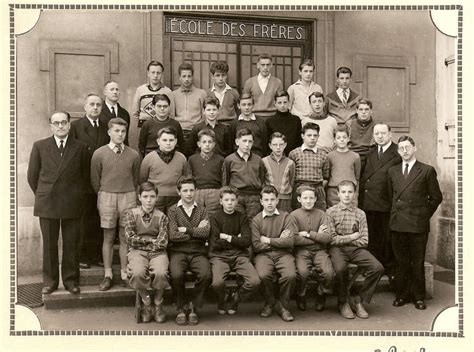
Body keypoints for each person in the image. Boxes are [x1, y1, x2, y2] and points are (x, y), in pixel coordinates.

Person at [27, 111, 89, 295]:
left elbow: (85, 177)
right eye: (56, 123)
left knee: (71, 244)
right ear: (51, 126)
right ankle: (50, 281)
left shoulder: (80, 147)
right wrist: (44, 194)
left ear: (69, 125)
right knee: (49, 245)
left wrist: (77, 196)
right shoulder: (39, 146)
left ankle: (70, 281)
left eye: (64, 122)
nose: (60, 126)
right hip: (48, 203)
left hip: (72, 202)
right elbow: (32, 176)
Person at [388, 135, 442, 310]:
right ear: (398, 151)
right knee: (401, 261)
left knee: (417, 261)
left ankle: (419, 297)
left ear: (414, 148)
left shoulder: (426, 170)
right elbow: (391, 196)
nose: (404, 151)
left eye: (407, 147)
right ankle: (402, 295)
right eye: (401, 148)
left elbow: (436, 197)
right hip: (398, 223)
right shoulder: (393, 171)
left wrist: (422, 215)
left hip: (417, 224)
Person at [91, 118, 141, 291]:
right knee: (109, 237)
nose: (120, 134)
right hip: (107, 196)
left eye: (123, 131)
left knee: (126, 237)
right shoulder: (99, 153)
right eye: (116, 131)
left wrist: (130, 193)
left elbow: (136, 179)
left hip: (128, 196)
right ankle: (107, 274)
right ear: (109, 132)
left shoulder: (133, 154)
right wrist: (105, 194)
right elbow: (95, 180)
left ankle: (124, 274)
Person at [327, 180, 384, 319]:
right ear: (338, 194)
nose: (347, 195)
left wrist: (344, 238)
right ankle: (343, 302)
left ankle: (359, 300)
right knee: (340, 269)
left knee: (377, 268)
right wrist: (352, 236)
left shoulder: (360, 214)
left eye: (350, 192)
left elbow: (364, 240)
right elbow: (331, 239)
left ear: (354, 194)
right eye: (344, 192)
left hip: (356, 249)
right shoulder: (330, 212)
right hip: (337, 250)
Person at [70, 93, 110, 269]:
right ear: (85, 107)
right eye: (92, 104)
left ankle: (97, 255)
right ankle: (83, 256)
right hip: (82, 181)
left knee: (99, 219)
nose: (95, 108)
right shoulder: (76, 126)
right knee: (84, 220)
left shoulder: (105, 127)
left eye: (98, 105)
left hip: (101, 180)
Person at [209, 186, 260, 315]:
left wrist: (226, 237)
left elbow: (246, 241)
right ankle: (223, 297)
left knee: (254, 281)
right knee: (217, 283)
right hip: (219, 256)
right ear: (221, 201)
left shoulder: (242, 217)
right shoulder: (215, 217)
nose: (230, 203)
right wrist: (236, 240)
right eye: (226, 200)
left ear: (237, 201)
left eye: (232, 200)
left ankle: (236, 297)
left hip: (239, 256)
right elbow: (215, 243)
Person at [359, 123, 401, 280]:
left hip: (387, 202)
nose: (380, 136)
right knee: (373, 237)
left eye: (383, 133)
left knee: (387, 237)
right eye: (377, 133)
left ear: (390, 134)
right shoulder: (371, 153)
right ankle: (374, 267)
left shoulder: (397, 152)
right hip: (369, 202)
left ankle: (389, 269)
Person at [167, 176, 211, 326]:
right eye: (185, 190)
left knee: (205, 274)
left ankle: (194, 306)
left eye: (192, 190)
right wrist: (196, 231)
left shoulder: (202, 210)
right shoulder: (173, 210)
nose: (189, 194)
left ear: (196, 191)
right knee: (176, 274)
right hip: (178, 252)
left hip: (198, 252)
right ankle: (181, 307)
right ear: (178, 192)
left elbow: (206, 233)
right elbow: (173, 235)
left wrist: (186, 230)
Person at [125, 182, 170, 324]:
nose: (149, 200)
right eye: (145, 196)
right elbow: (130, 238)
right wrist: (150, 242)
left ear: (157, 198)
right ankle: (146, 303)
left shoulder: (162, 216)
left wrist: (145, 243)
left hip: (158, 253)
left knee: (161, 272)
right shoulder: (132, 214)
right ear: (139, 197)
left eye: (152, 196)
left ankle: (158, 304)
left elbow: (163, 241)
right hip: (137, 252)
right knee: (137, 273)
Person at [251, 185, 296, 322]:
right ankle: (270, 302)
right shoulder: (256, 220)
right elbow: (257, 245)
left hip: (283, 254)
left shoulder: (285, 217)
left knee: (290, 275)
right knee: (263, 275)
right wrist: (279, 240)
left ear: (277, 201)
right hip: (264, 255)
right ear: (261, 202)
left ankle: (283, 305)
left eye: (272, 199)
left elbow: (289, 242)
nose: (269, 203)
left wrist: (269, 240)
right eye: (266, 200)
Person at [289, 185, 334, 312]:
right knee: (303, 273)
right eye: (305, 198)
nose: (308, 201)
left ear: (315, 199)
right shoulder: (294, 215)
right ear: (299, 199)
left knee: (329, 273)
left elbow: (328, 238)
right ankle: (301, 295)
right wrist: (317, 235)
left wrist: (309, 234)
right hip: (302, 252)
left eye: (311, 198)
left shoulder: (321, 214)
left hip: (320, 250)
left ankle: (321, 293)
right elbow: (294, 239)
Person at [140, 127, 187, 214]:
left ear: (176, 141)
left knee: (173, 224)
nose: (168, 143)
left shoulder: (181, 158)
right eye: (164, 140)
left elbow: (185, 179)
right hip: (155, 198)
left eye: (171, 140)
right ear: (158, 141)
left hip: (175, 198)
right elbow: (143, 180)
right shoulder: (149, 158)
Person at [222, 127, 265, 220]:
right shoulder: (229, 160)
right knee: (236, 222)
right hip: (237, 197)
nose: (247, 144)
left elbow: (262, 179)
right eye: (244, 141)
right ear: (237, 142)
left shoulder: (258, 160)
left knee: (253, 223)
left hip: (254, 198)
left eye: (250, 141)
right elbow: (225, 181)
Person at [288, 122, 330, 211]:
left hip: (317, 188)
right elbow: (290, 175)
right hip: (299, 188)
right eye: (309, 135)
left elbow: (326, 176)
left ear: (318, 136)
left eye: (315, 135)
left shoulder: (323, 155)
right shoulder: (294, 153)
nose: (312, 138)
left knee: (319, 215)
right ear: (303, 136)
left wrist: (317, 188)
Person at [171, 62, 208, 156]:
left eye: (189, 76)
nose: (186, 79)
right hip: (179, 132)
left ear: (192, 76)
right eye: (184, 76)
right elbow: (171, 115)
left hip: (196, 132)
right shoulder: (173, 94)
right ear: (179, 77)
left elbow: (205, 115)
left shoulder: (201, 94)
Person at [187, 129, 225, 215]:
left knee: (214, 216)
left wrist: (222, 194)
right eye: (204, 142)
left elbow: (224, 179)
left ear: (214, 144)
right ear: (199, 144)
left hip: (215, 192)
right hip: (198, 192)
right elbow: (189, 178)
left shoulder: (220, 159)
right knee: (197, 216)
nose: (207, 144)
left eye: (210, 142)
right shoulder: (192, 159)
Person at [138, 93, 184, 158]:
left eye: (165, 106)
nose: (162, 109)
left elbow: (181, 145)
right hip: (152, 158)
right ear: (153, 107)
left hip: (172, 157)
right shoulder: (147, 124)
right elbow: (141, 146)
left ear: (169, 107)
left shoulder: (175, 124)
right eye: (159, 106)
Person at [326, 126, 361, 207]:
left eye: (344, 137)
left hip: (350, 191)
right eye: (338, 137)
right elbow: (327, 175)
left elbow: (357, 176)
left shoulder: (355, 156)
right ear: (334, 140)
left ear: (348, 139)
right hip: (334, 192)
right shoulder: (330, 156)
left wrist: (356, 194)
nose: (342, 139)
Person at [132, 60, 174, 128]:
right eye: (153, 72)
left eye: (158, 73)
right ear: (148, 73)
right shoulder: (140, 90)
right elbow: (135, 113)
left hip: (162, 127)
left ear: (162, 74)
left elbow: (171, 114)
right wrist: (139, 127)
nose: (155, 75)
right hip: (144, 126)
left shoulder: (167, 91)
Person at [242, 53, 283, 121]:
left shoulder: (277, 82)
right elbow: (244, 102)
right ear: (258, 65)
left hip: (273, 117)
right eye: (263, 65)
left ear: (271, 65)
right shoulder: (249, 82)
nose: (265, 68)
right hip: (254, 117)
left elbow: (280, 102)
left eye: (268, 65)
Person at [262, 132, 296, 213]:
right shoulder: (264, 161)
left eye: (281, 144)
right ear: (270, 146)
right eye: (275, 145)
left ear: (285, 145)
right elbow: (262, 180)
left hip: (285, 200)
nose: (278, 147)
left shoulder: (290, 163)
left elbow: (292, 182)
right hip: (269, 199)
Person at [265, 90, 303, 155]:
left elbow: (299, 141)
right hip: (276, 156)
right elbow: (267, 143)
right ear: (275, 103)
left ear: (289, 102)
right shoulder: (270, 121)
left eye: (285, 102)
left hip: (294, 155)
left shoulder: (296, 120)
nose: (282, 105)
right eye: (279, 102)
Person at [345, 99, 377, 172]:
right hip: (350, 157)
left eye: (366, 109)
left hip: (368, 159)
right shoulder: (349, 124)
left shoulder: (376, 127)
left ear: (371, 111)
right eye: (361, 109)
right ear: (356, 111)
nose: (363, 112)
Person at [99, 80, 131, 145]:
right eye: (112, 89)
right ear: (105, 92)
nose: (115, 92)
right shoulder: (99, 111)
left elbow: (125, 137)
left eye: (117, 89)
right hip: (103, 149)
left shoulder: (125, 113)